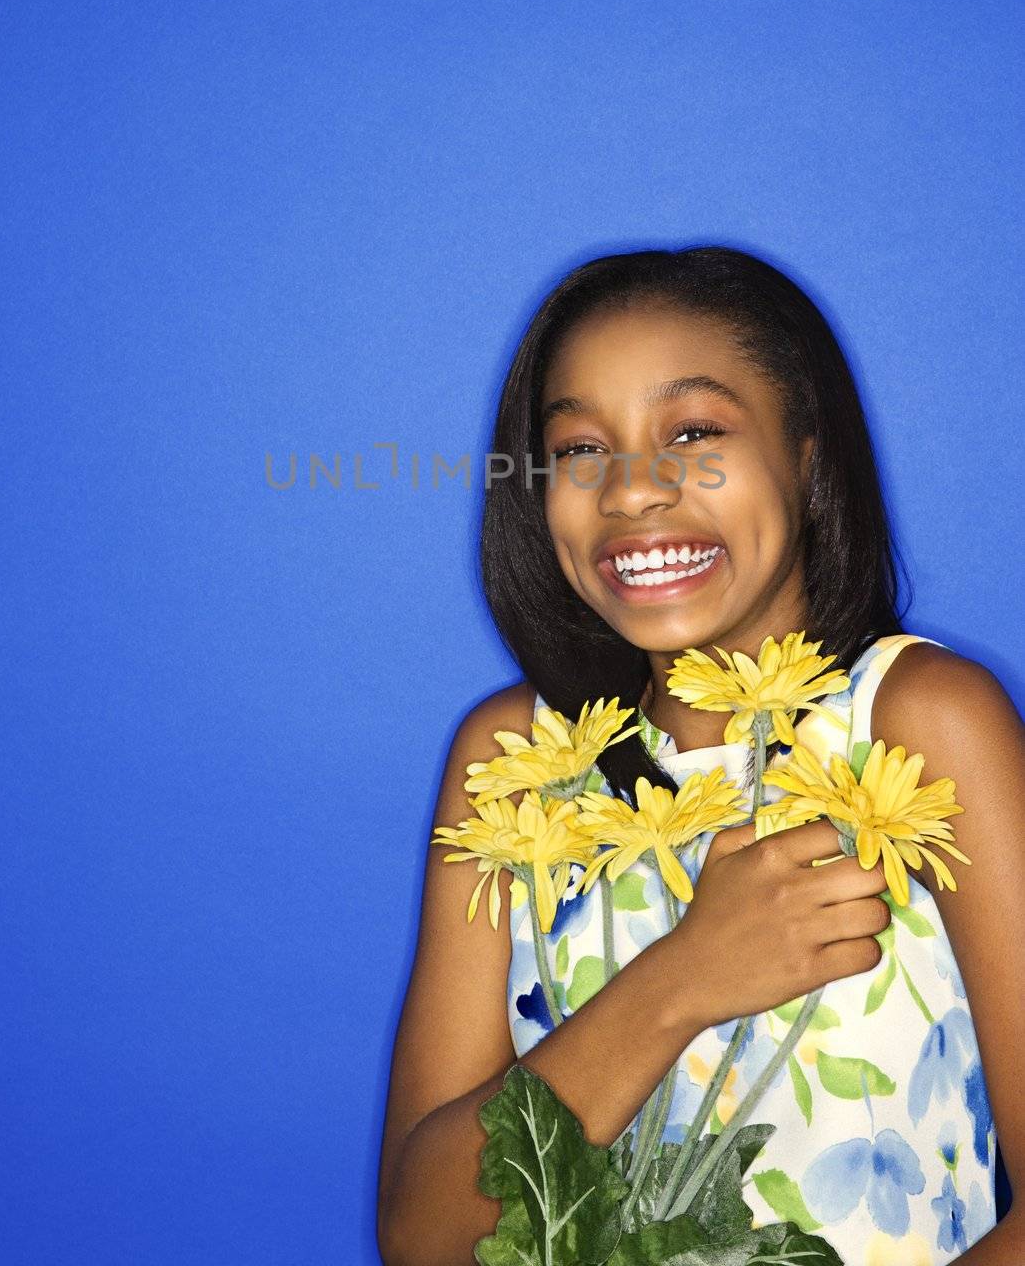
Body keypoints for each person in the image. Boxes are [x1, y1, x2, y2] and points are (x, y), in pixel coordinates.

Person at [376, 246, 1025, 1266]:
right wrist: (680, 978)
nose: (631, 491)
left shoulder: (919, 722)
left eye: (692, 431)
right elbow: (421, 1234)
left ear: (806, 453)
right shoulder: (512, 761)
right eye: (580, 449)